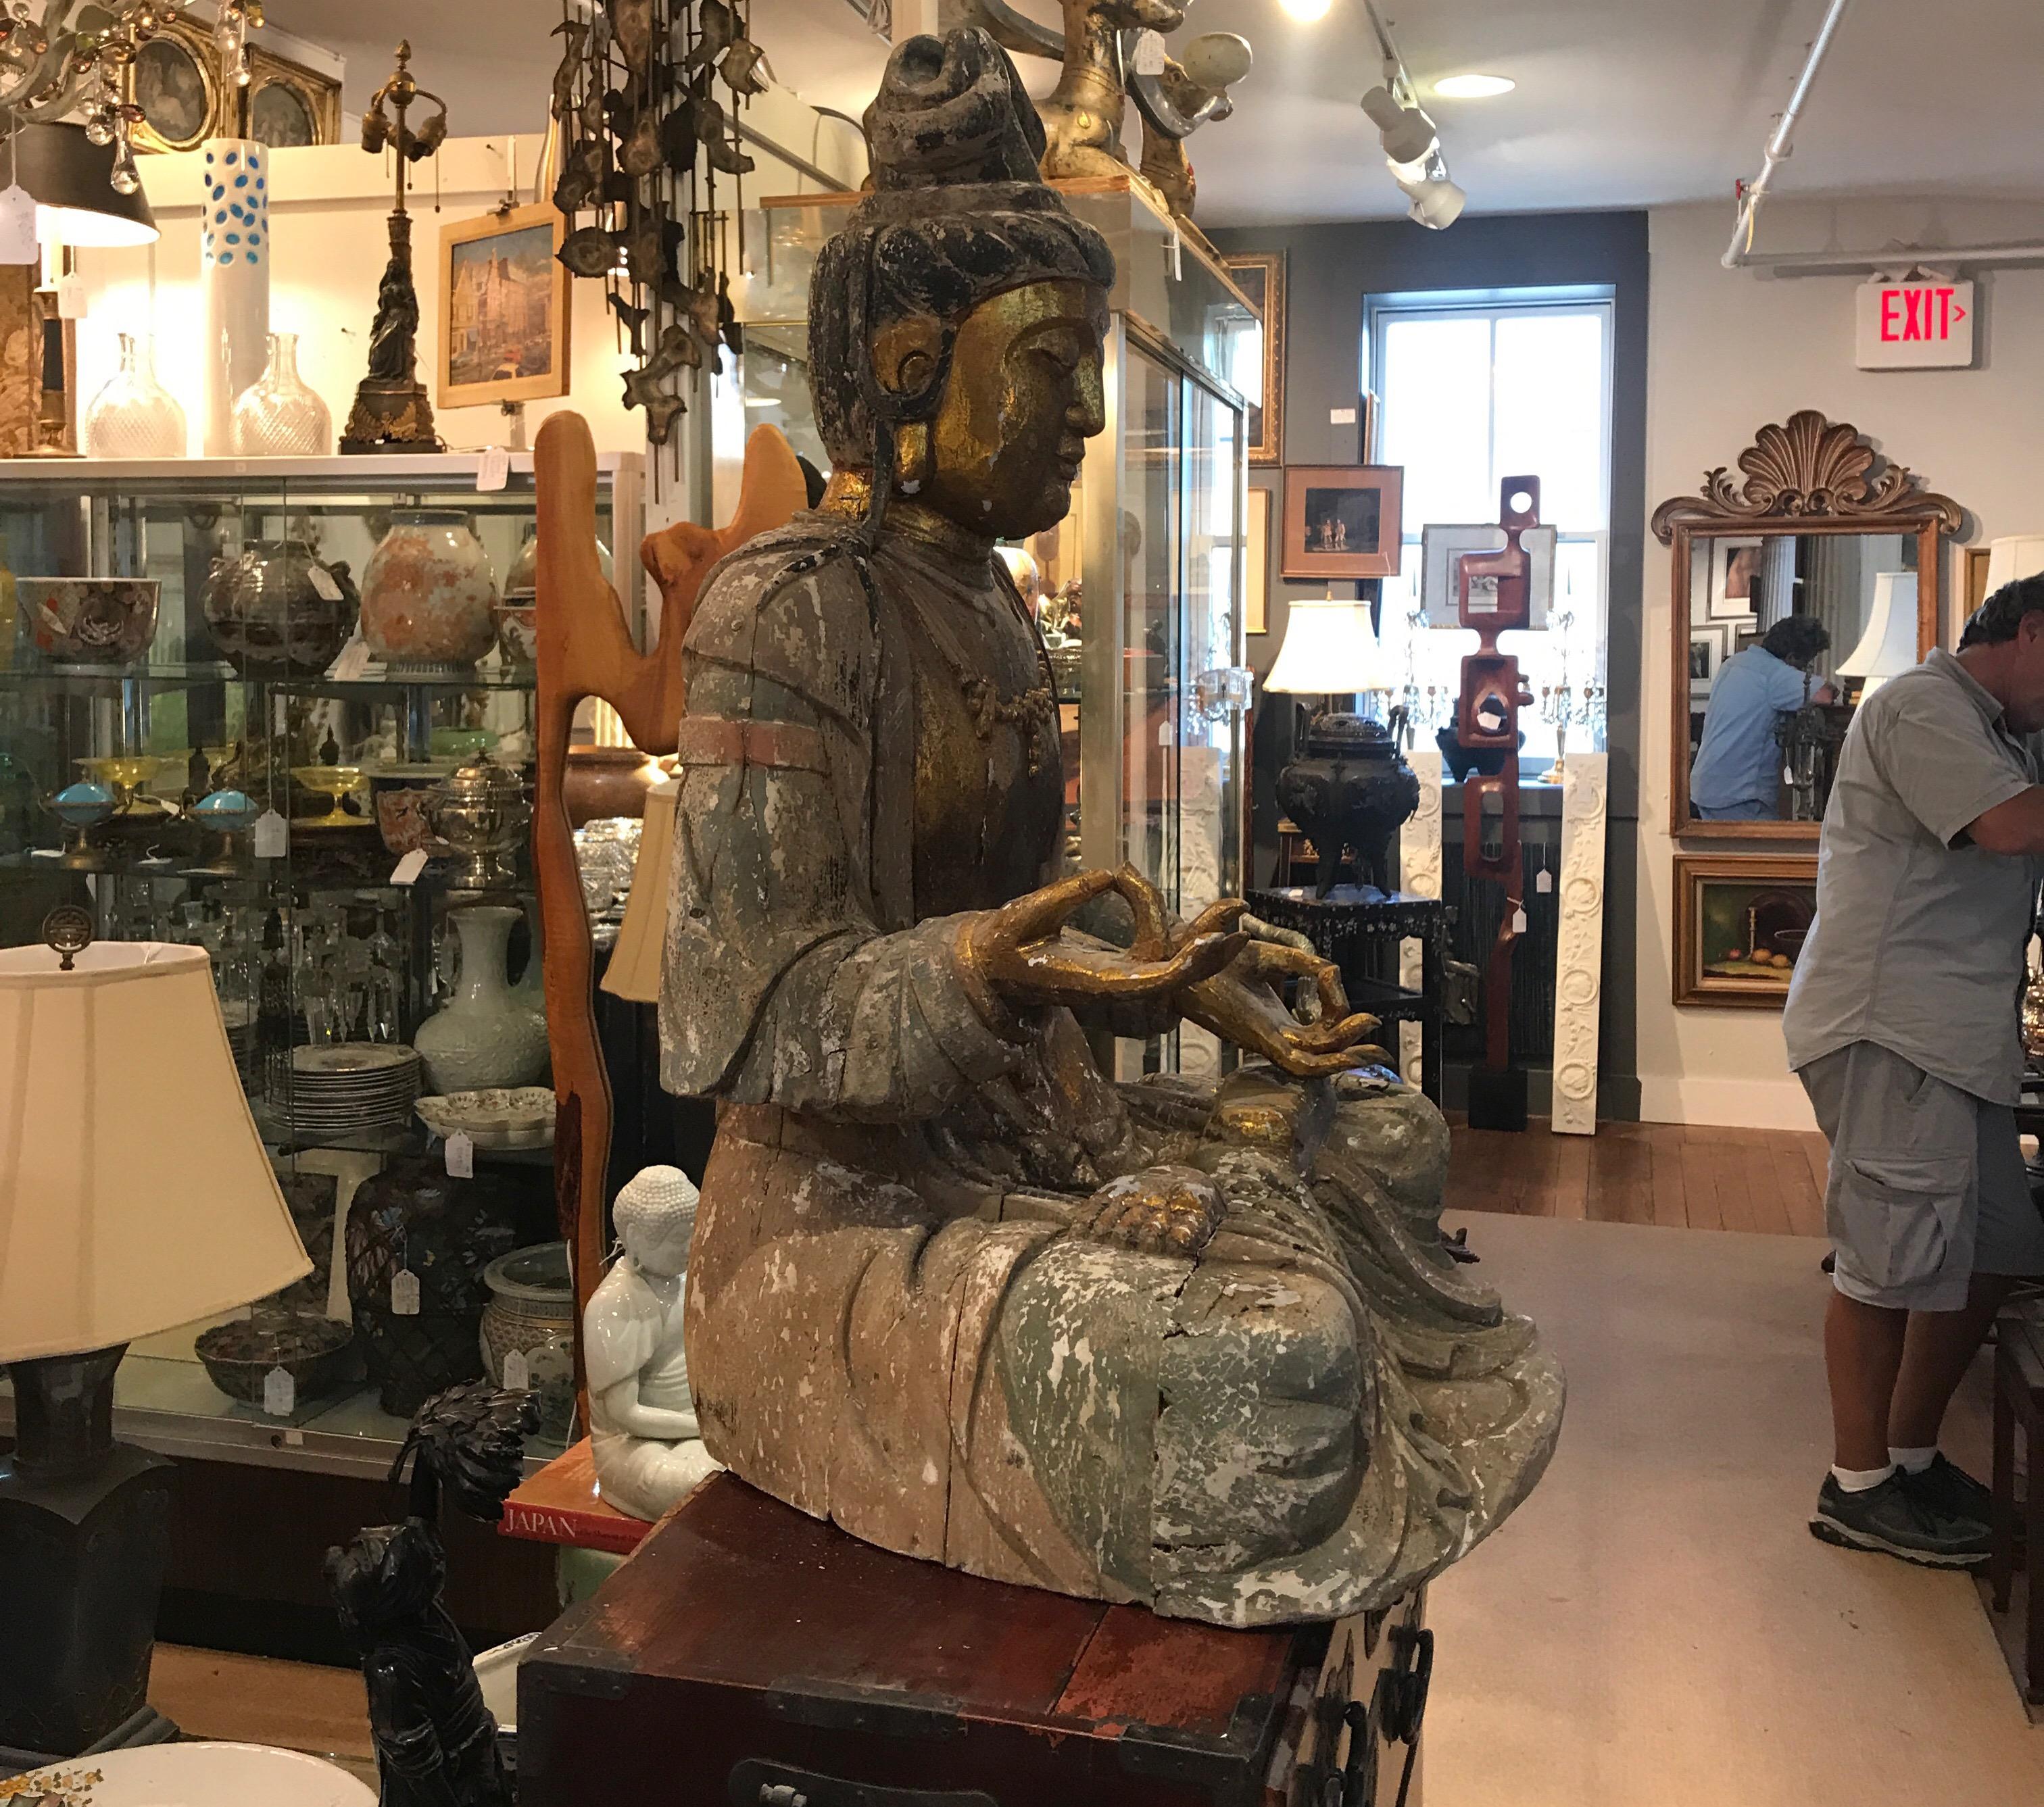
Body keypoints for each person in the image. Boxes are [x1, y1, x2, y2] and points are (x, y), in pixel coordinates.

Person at [1784, 572, 2044, 1566]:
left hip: (1958, 1036)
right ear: (2029, 630)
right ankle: (1855, 1487)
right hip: (1891, 1028)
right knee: (1887, 1266)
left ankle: (1910, 1454)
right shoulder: (1920, 704)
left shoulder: (2011, 730)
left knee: (1989, 1254)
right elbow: (2012, 827)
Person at [1690, 615, 1834, 819]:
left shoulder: (1734, 663)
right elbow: (1826, 694)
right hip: (1741, 794)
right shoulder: (1775, 675)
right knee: (1755, 851)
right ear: (1792, 657)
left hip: (1706, 785)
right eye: (1806, 664)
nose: (1804, 671)